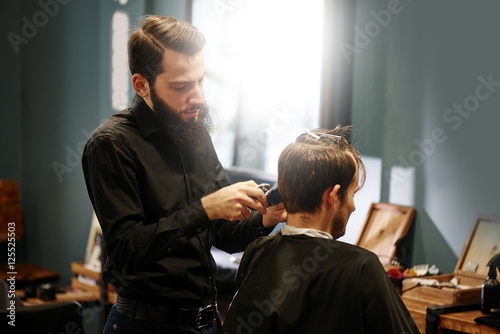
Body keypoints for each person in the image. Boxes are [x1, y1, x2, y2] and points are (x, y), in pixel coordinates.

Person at [81, 15, 286, 334]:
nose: (199, 98)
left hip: (206, 323)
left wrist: (265, 219)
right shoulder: (112, 145)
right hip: (145, 325)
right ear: (141, 84)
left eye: (200, 81)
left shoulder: (194, 132)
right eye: (182, 86)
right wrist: (206, 208)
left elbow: (223, 236)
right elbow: (126, 252)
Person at [222, 126, 420, 334]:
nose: (353, 206)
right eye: (353, 193)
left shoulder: (257, 251)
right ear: (332, 196)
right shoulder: (361, 267)